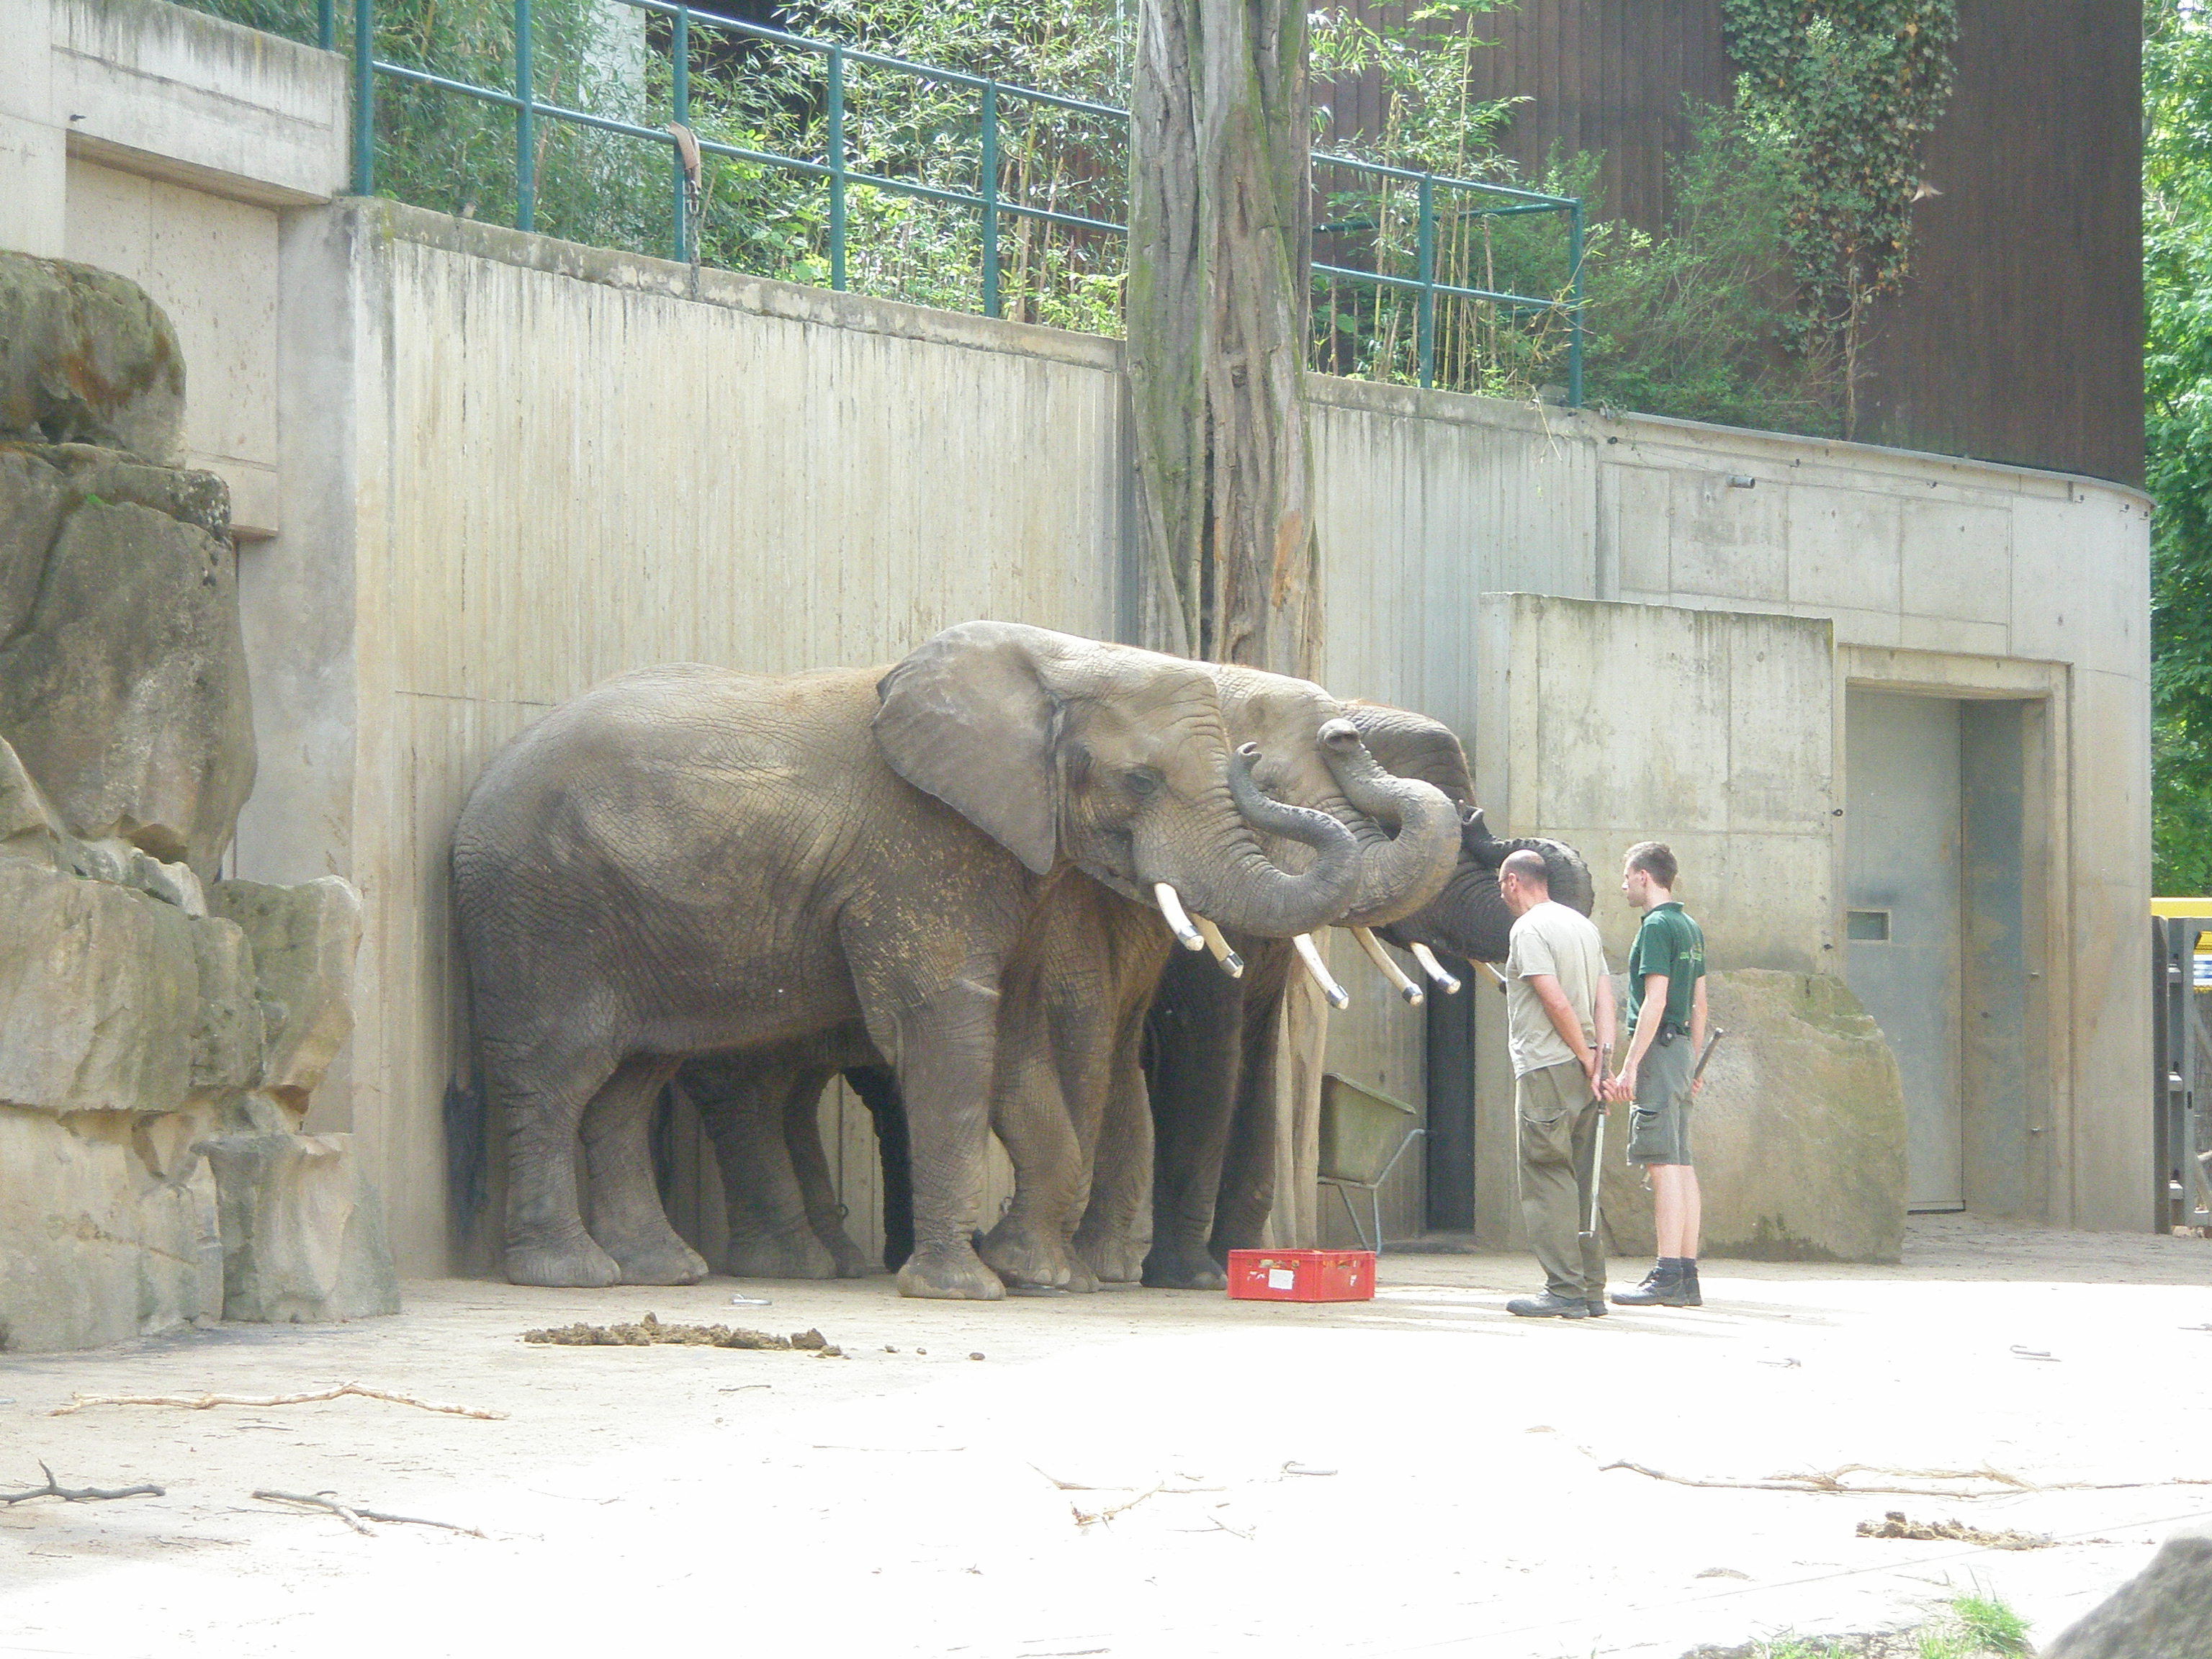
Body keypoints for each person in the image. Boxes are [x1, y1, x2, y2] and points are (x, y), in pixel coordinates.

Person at [1496, 848, 1617, 1320]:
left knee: (1547, 1174)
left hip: (1547, 1065)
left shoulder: (1527, 930)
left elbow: (1555, 1002)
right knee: (1583, 1178)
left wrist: (1584, 1055)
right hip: (1587, 1069)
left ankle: (1563, 1289)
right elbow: (1604, 998)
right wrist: (1600, 1061)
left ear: (1511, 882)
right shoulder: (1582, 926)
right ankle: (1591, 1290)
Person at [1608, 841, 1708, 1308]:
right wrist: (1693, 1062)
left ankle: (1667, 1273)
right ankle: (1685, 1275)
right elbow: (1700, 1004)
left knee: (1662, 1163)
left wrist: (1630, 1065)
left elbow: (1656, 1000)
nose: (1623, 884)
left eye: (1627, 876)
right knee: (1682, 1162)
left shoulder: (1656, 927)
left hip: (1660, 1052)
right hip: (1682, 1050)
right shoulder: (1689, 927)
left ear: (1645, 876)